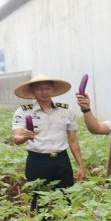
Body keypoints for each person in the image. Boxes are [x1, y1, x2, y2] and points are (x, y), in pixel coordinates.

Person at [11, 75, 86, 209]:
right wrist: (26, 137)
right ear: (33, 91)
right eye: (39, 89)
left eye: (47, 88)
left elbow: (73, 141)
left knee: (65, 199)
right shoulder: (23, 111)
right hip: (37, 162)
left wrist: (81, 165)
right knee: (39, 202)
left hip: (62, 161)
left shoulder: (66, 110)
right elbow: (16, 138)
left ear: (53, 89)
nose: (44, 92)